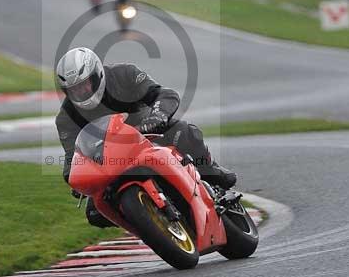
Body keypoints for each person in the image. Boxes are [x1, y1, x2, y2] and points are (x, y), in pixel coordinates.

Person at [54, 47, 237, 227]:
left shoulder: (124, 74)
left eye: (85, 83)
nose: (82, 91)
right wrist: (76, 179)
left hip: (150, 135)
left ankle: (211, 173)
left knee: (185, 132)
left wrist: (157, 117)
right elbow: (73, 157)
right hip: (112, 162)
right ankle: (146, 223)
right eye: (74, 89)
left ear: (98, 74)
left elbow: (164, 94)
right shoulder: (66, 118)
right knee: (95, 213)